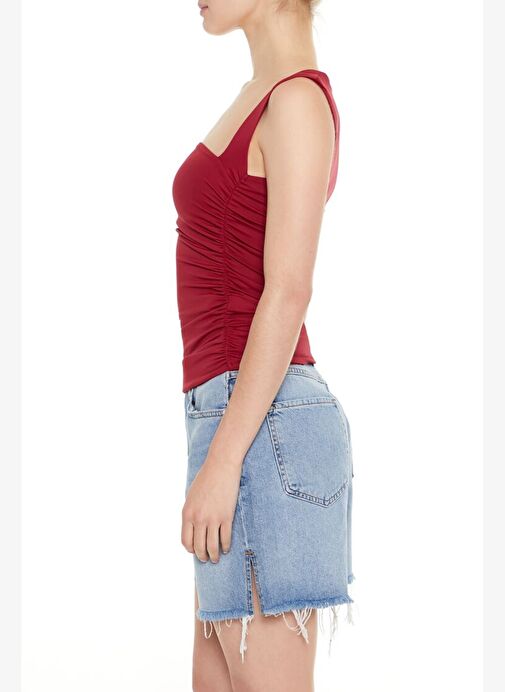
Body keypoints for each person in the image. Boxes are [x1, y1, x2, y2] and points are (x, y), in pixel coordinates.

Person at [171, 1, 354, 689]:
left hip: (261, 427)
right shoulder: (261, 94)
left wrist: (223, 462)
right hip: (231, 415)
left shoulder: (297, 102)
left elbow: (287, 292)